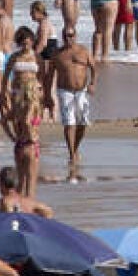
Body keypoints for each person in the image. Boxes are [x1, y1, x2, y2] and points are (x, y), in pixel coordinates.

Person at [50, 29, 95, 182]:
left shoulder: (83, 51)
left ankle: (75, 148)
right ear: (63, 37)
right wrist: (48, 96)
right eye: (66, 36)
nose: (69, 38)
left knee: (82, 123)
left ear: (75, 36)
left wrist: (92, 84)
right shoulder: (57, 54)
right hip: (65, 91)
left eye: (71, 35)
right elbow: (50, 75)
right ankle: (71, 154)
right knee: (69, 123)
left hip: (81, 91)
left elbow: (93, 68)